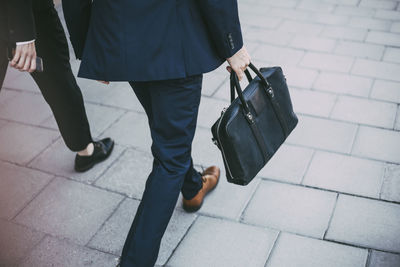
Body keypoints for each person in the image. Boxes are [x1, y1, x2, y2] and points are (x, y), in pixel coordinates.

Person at [62, 0, 250, 266]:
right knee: (171, 157)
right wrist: (233, 44)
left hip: (122, 35)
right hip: (175, 38)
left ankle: (193, 187)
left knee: (168, 132)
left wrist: (89, 44)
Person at [0, 0, 114, 172]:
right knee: (58, 79)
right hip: (30, 12)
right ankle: (85, 150)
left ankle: (84, 147)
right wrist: (23, 34)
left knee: (58, 79)